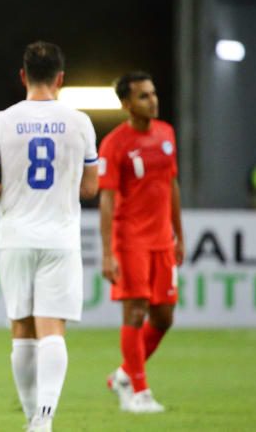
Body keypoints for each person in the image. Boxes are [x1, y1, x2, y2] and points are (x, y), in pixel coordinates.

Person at [0, 41, 98, 432]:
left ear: (23, 76)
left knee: (21, 329)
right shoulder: (80, 122)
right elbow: (91, 188)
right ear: (61, 78)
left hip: (16, 236)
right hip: (60, 238)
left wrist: (5, 191)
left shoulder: (3, 120)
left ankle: (29, 418)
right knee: (51, 328)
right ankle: (45, 418)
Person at [99, 72, 184, 414]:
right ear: (126, 104)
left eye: (153, 93)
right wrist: (107, 252)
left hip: (162, 239)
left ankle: (122, 374)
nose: (153, 100)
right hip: (131, 238)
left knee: (163, 317)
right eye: (144, 96)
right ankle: (139, 392)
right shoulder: (115, 144)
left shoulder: (166, 133)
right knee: (134, 312)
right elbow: (106, 200)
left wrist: (179, 233)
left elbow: (172, 186)